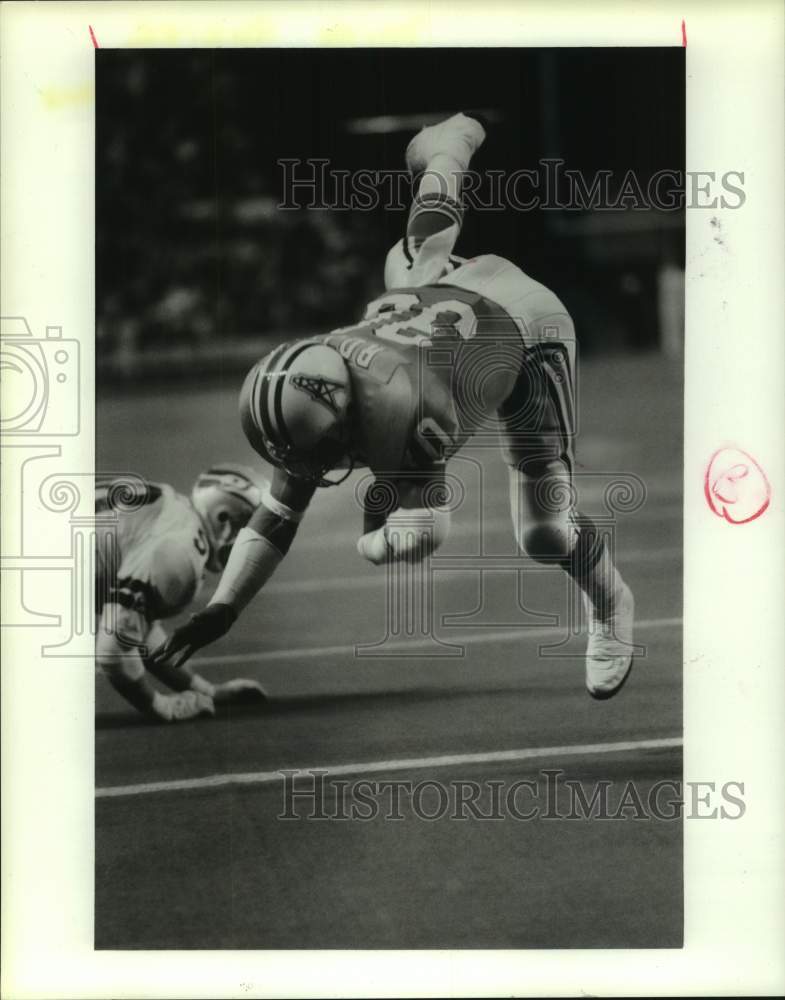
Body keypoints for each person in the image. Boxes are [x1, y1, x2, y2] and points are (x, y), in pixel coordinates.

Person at [152, 112, 635, 699]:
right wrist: (224, 608)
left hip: (528, 328)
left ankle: (611, 605)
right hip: (442, 294)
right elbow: (276, 515)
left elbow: (421, 534)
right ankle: (446, 150)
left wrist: (370, 541)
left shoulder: (407, 412)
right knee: (409, 258)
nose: (308, 465)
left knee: (545, 531)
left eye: (322, 448)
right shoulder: (309, 384)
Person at [96, 464, 267, 721]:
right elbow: (113, 647)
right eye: (251, 532)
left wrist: (205, 690)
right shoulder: (182, 552)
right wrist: (161, 707)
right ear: (224, 519)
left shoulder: (173, 512)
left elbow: (137, 631)